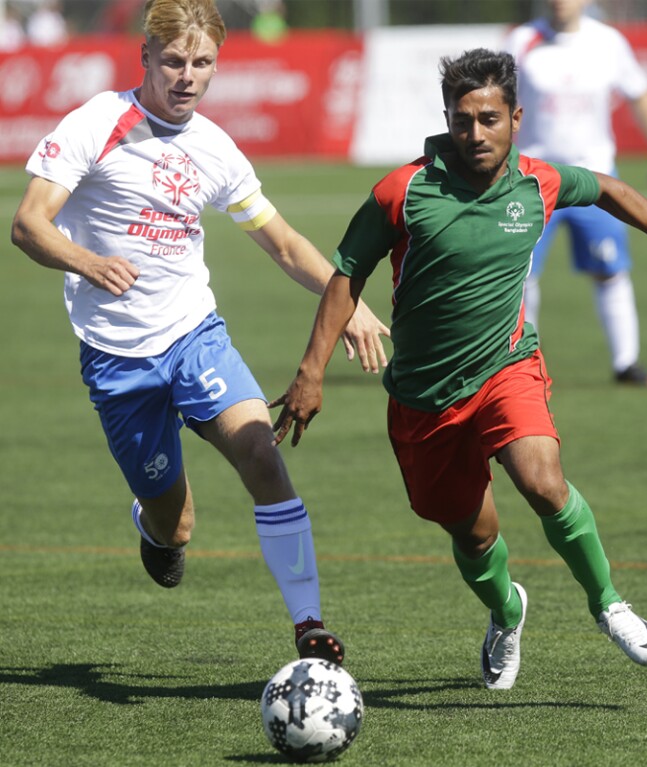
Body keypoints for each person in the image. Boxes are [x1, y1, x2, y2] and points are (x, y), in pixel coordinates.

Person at [270, 49, 647, 689]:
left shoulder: (538, 182)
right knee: (474, 536)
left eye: (489, 119)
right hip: (424, 396)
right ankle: (507, 610)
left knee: (543, 481)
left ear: (516, 118)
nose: (476, 134)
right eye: (462, 120)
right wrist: (311, 372)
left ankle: (609, 602)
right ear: (447, 118)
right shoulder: (403, 190)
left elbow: (611, 189)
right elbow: (345, 276)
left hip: (507, 366)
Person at [10, 0, 389, 666]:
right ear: (147, 59)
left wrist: (347, 298)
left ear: (217, 63)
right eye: (175, 61)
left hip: (193, 336)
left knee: (263, 457)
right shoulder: (97, 123)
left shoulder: (214, 148)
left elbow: (281, 241)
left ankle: (309, 625)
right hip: (117, 360)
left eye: (203, 63)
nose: (187, 76)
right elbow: (29, 225)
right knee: (174, 524)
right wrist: (89, 262)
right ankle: (155, 528)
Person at [504, 0, 647, 388]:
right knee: (520, 275)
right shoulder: (521, 40)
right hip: (533, 180)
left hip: (595, 180)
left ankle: (626, 364)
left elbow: (641, 95)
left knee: (610, 270)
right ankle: (521, 362)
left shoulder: (608, 42)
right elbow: (494, 98)